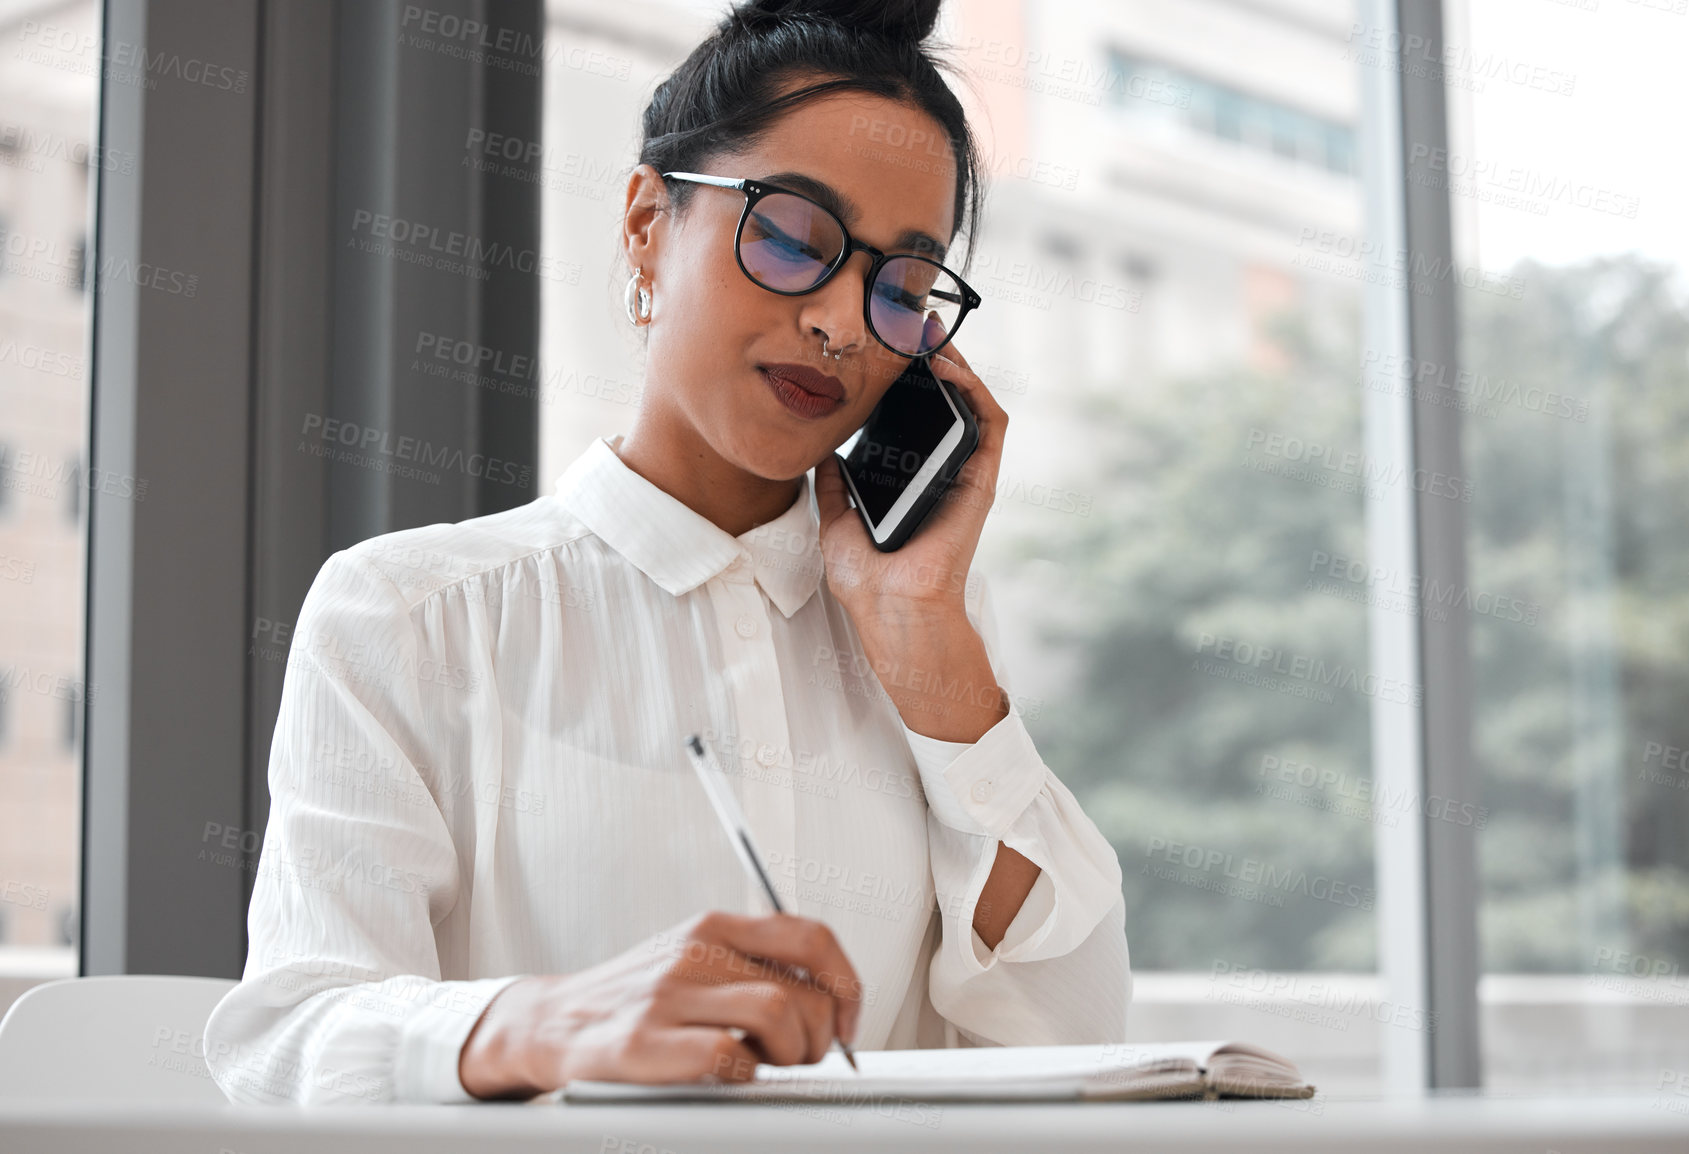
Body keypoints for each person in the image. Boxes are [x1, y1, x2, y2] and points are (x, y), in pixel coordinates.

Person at [204, 0, 1130, 1104]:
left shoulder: (931, 641)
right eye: (792, 236)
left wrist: (928, 644)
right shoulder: (411, 614)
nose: (841, 321)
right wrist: (540, 1019)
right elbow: (286, 1036)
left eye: (902, 285)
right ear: (647, 221)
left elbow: (1075, 1039)